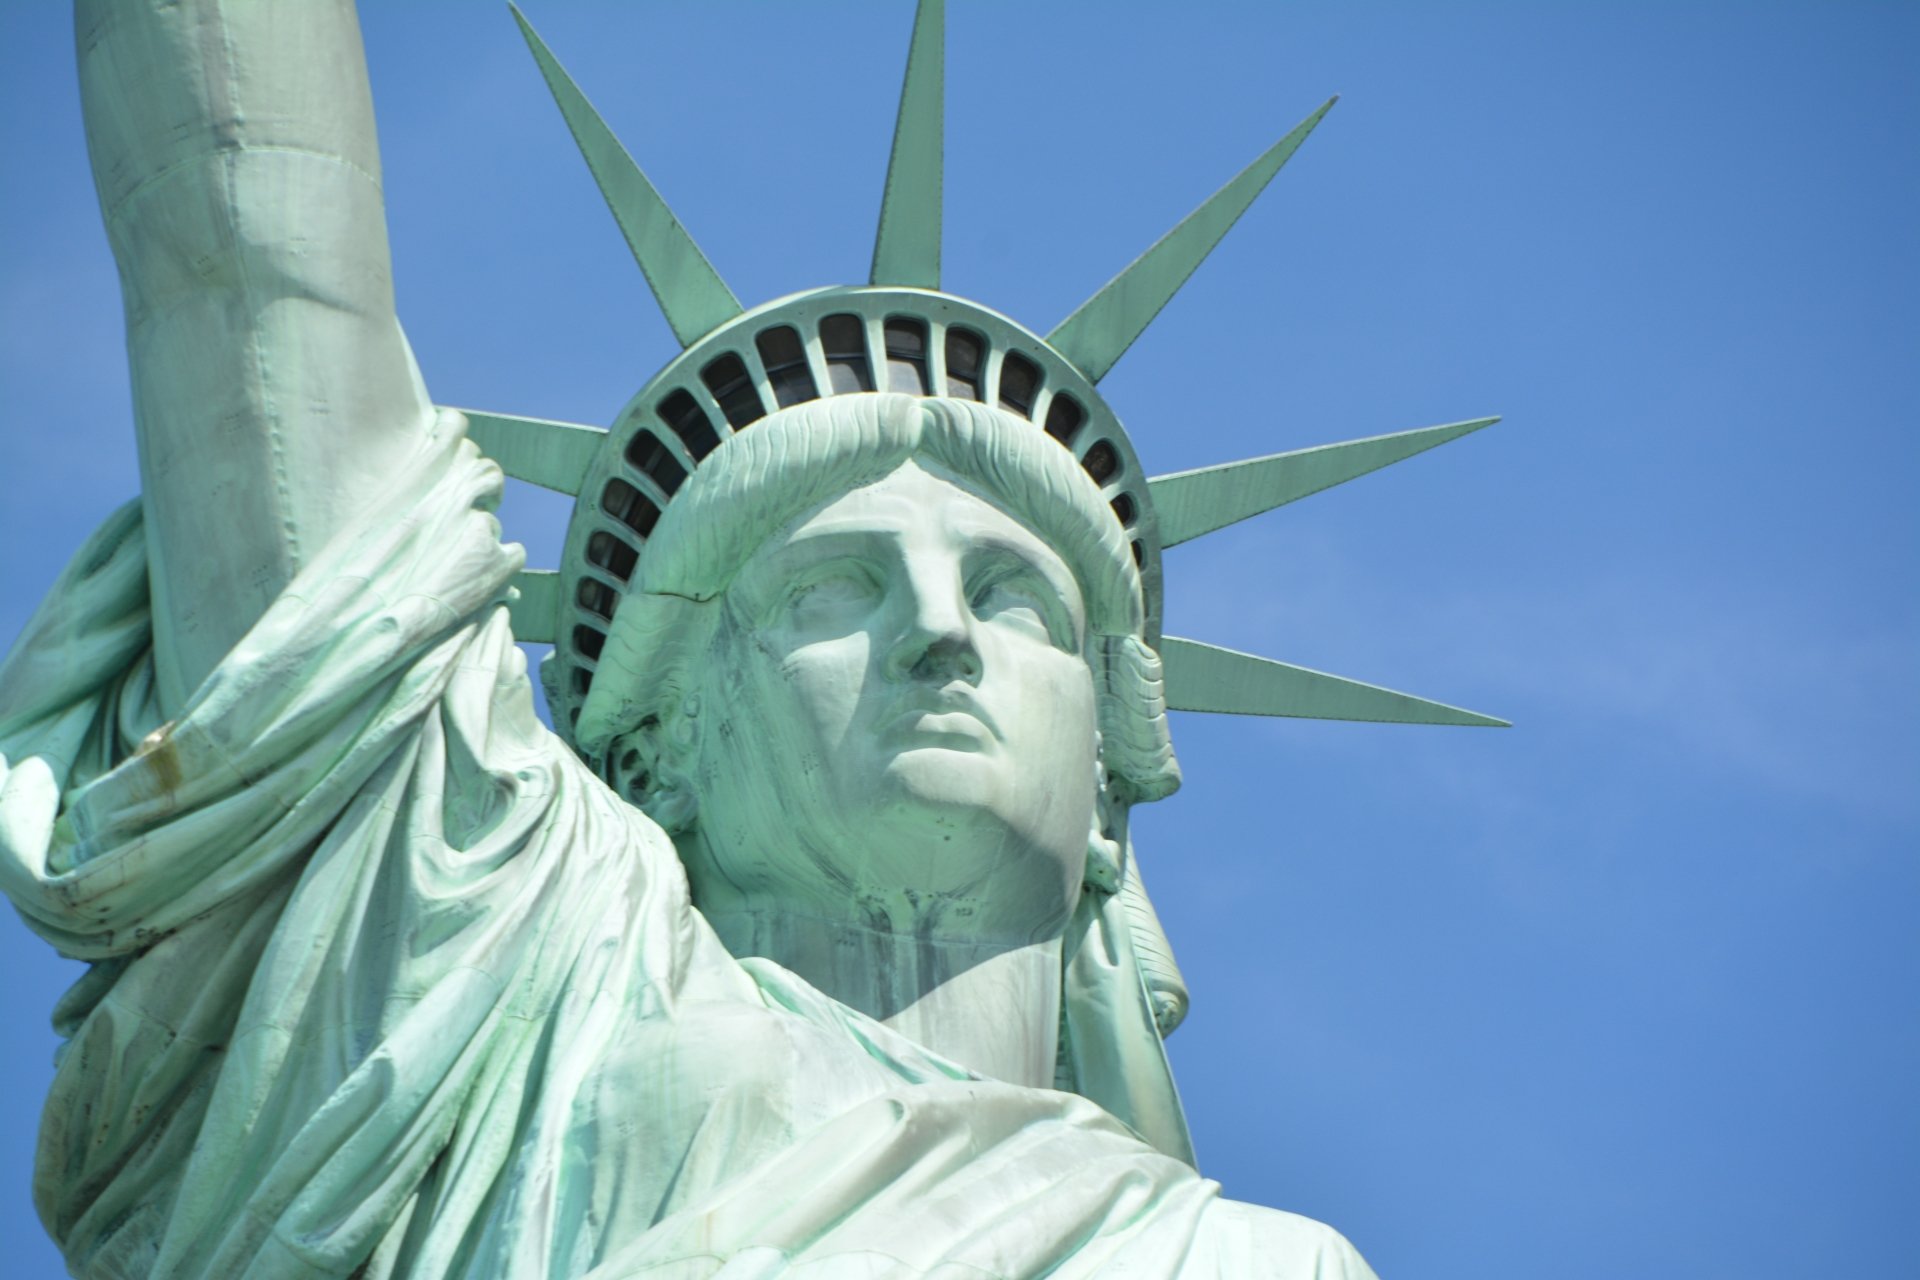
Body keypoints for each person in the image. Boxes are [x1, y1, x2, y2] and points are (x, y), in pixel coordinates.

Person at [0, 1, 1379, 1275]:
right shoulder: (492, 995)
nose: (939, 635)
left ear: (1107, 786)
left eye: (1017, 597)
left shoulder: (1258, 1268)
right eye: (832, 588)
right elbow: (248, 264)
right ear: (653, 749)